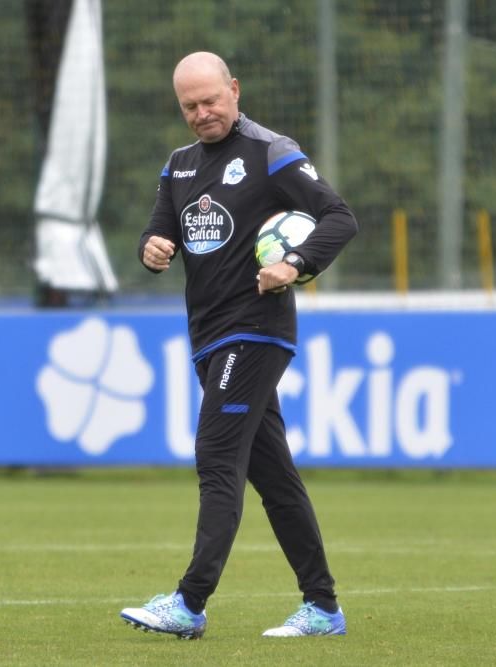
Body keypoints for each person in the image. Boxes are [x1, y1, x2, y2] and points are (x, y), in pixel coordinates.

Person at [120, 51, 358, 640]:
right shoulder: (177, 167)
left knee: (216, 457)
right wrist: (152, 248)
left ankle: (189, 602)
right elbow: (159, 231)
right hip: (209, 338)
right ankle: (323, 608)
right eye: (190, 106)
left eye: (211, 101)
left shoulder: (271, 151)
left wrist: (295, 263)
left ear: (234, 89)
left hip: (254, 331)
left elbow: (339, 217)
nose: (202, 114)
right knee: (274, 477)